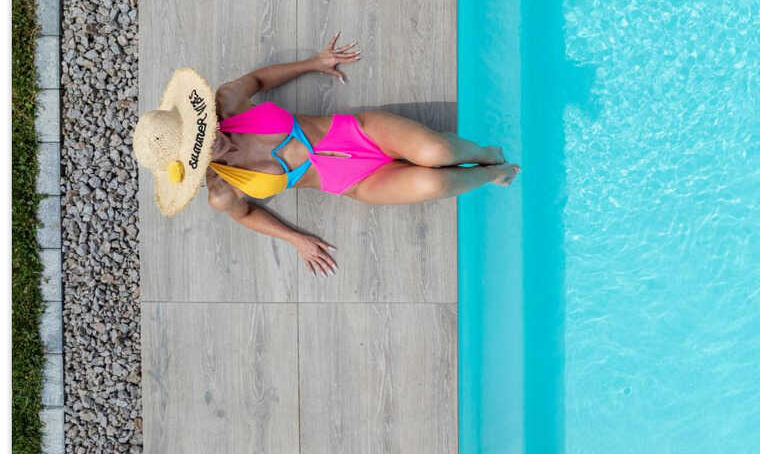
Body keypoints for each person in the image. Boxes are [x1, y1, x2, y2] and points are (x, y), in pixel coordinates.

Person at [131, 33, 519, 277]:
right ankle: (489, 174)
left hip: (359, 131)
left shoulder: (228, 101)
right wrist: (294, 239)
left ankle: (486, 153)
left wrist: (314, 64)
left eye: (200, 133)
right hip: (353, 182)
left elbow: (259, 80)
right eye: (198, 150)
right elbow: (246, 214)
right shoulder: (220, 191)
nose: (209, 140)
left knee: (438, 152)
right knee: (435, 181)